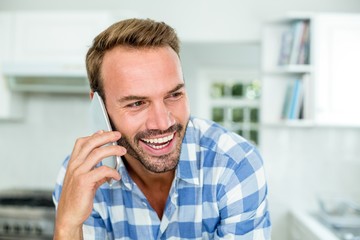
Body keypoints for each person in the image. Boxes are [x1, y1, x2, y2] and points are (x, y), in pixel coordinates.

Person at [53, 18, 271, 240]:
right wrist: (67, 226)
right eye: (136, 103)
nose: (163, 122)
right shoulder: (83, 176)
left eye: (174, 95)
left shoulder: (235, 165)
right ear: (99, 107)